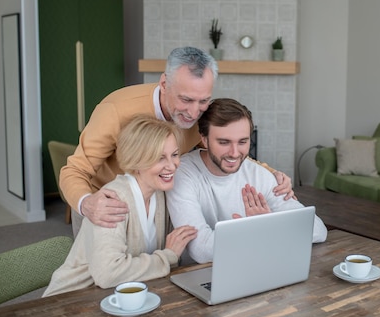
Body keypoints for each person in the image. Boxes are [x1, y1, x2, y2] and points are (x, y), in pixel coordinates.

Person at [59, 46, 293, 231]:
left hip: (160, 203)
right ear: (163, 84)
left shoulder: (202, 115)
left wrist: (271, 173)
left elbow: (225, 147)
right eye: (186, 100)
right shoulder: (116, 109)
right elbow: (74, 171)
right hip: (107, 204)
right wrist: (87, 204)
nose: (194, 112)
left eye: (203, 101)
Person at [44, 115, 197, 296]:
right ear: (137, 160)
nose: (172, 166)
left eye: (175, 154)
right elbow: (108, 274)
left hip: (118, 298)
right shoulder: (113, 200)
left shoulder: (161, 193)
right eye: (160, 158)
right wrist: (167, 256)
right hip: (71, 301)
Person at [166, 98, 328, 264]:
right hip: (201, 274)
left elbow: (317, 230)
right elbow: (200, 249)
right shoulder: (183, 173)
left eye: (243, 142)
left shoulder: (258, 174)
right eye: (224, 142)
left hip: (254, 265)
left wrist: (269, 224)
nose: (235, 153)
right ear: (204, 139)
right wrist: (261, 230)